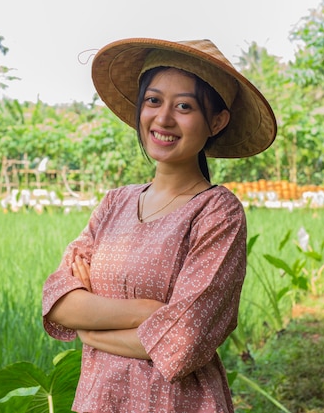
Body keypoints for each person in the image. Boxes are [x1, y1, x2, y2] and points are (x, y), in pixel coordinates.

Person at [42, 38, 277, 412]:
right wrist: (150, 311)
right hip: (98, 400)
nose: (164, 118)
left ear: (217, 121)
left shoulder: (217, 213)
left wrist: (90, 329)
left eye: (184, 106)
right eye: (153, 101)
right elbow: (58, 301)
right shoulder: (114, 203)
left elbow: (184, 340)